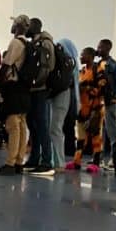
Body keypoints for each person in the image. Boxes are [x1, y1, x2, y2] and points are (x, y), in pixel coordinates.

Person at [0, 15, 32, 176]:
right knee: (21, 125)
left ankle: (10, 163)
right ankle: (19, 162)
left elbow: (6, 65)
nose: (12, 26)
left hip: (14, 88)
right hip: (24, 89)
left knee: (12, 125)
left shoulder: (16, 43)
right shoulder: (27, 45)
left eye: (14, 24)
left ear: (18, 26)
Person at [24, 18, 56, 177]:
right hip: (33, 89)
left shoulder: (45, 43)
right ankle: (34, 158)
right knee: (33, 124)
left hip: (40, 90)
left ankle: (47, 162)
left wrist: (36, 83)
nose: (27, 28)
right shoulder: (35, 43)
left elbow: (47, 67)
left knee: (42, 125)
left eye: (29, 25)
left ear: (36, 26)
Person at [67, 47, 105, 172]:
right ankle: (76, 161)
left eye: (83, 55)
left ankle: (95, 163)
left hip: (95, 109)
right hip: (81, 109)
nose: (81, 57)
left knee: (95, 138)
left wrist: (87, 88)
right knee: (81, 138)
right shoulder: (82, 71)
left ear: (90, 56)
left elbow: (102, 89)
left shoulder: (98, 70)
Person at [49, 38, 77, 172]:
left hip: (60, 97)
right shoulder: (72, 63)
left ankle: (58, 162)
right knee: (55, 128)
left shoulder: (68, 63)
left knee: (55, 128)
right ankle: (56, 160)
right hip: (64, 97)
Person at [97, 39, 116, 173]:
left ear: (108, 48)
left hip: (109, 103)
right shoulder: (98, 64)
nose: (98, 49)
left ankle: (115, 159)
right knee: (102, 131)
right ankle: (102, 158)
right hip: (99, 103)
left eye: (101, 47)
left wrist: (114, 95)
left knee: (112, 132)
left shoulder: (114, 66)